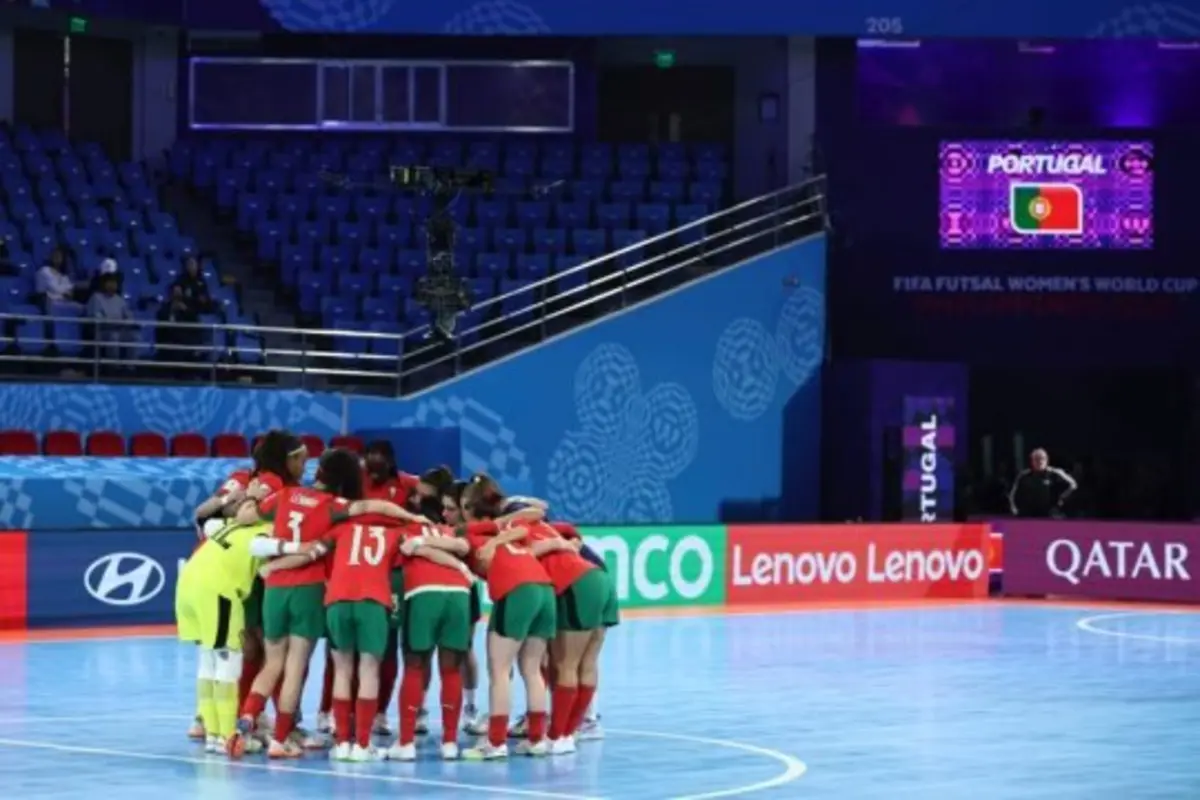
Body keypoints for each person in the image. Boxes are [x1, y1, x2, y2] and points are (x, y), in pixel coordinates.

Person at [230, 448, 431, 759]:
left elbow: (244, 517)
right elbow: (375, 506)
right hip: (308, 589)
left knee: (272, 663)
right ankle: (280, 739)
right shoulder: (334, 506)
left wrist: (252, 497)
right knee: (295, 665)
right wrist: (410, 516)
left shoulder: (286, 495)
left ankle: (246, 719)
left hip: (275, 589)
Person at [187, 430, 308, 745]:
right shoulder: (272, 483)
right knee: (264, 647)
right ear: (287, 458)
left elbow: (206, 514)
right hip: (246, 573)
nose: (306, 464)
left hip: (220, 569)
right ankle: (245, 723)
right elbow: (212, 511)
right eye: (301, 458)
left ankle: (218, 719)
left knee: (222, 650)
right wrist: (241, 500)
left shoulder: (252, 478)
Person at [176, 517, 324, 757]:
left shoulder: (231, 525)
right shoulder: (261, 532)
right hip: (218, 590)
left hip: (188, 585)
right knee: (228, 663)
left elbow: (210, 524)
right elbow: (262, 546)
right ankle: (226, 735)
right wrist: (298, 547)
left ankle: (213, 734)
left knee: (207, 662)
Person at [457, 475, 556, 760]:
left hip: (516, 591)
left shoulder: (465, 534)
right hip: (543, 588)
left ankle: (496, 742)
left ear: (468, 508)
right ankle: (537, 739)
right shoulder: (510, 525)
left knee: (499, 671)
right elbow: (531, 518)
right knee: (532, 668)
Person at [386, 520, 477, 762]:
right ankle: (449, 743)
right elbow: (463, 546)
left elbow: (409, 551)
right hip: (459, 594)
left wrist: (418, 543)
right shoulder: (448, 531)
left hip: (423, 592)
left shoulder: (401, 529)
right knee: (451, 670)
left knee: (415, 666)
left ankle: (405, 742)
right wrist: (458, 565)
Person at [86, 273, 138, 371]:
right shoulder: (96, 298)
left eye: (114, 283)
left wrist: (127, 323)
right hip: (102, 331)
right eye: (110, 282)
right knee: (114, 336)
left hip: (120, 330)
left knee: (133, 337)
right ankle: (113, 367)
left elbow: (129, 317)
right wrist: (111, 322)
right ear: (104, 284)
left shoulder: (120, 300)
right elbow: (95, 317)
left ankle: (130, 367)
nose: (112, 285)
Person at [1009, 448, 1078, 518]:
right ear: (1032, 461)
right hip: (1028, 514)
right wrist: (1015, 509)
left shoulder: (1055, 473)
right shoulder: (1024, 476)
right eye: (1036, 459)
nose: (1040, 461)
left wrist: (1062, 497)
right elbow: (1013, 495)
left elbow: (1073, 485)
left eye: (1042, 459)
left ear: (1047, 460)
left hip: (1049, 514)